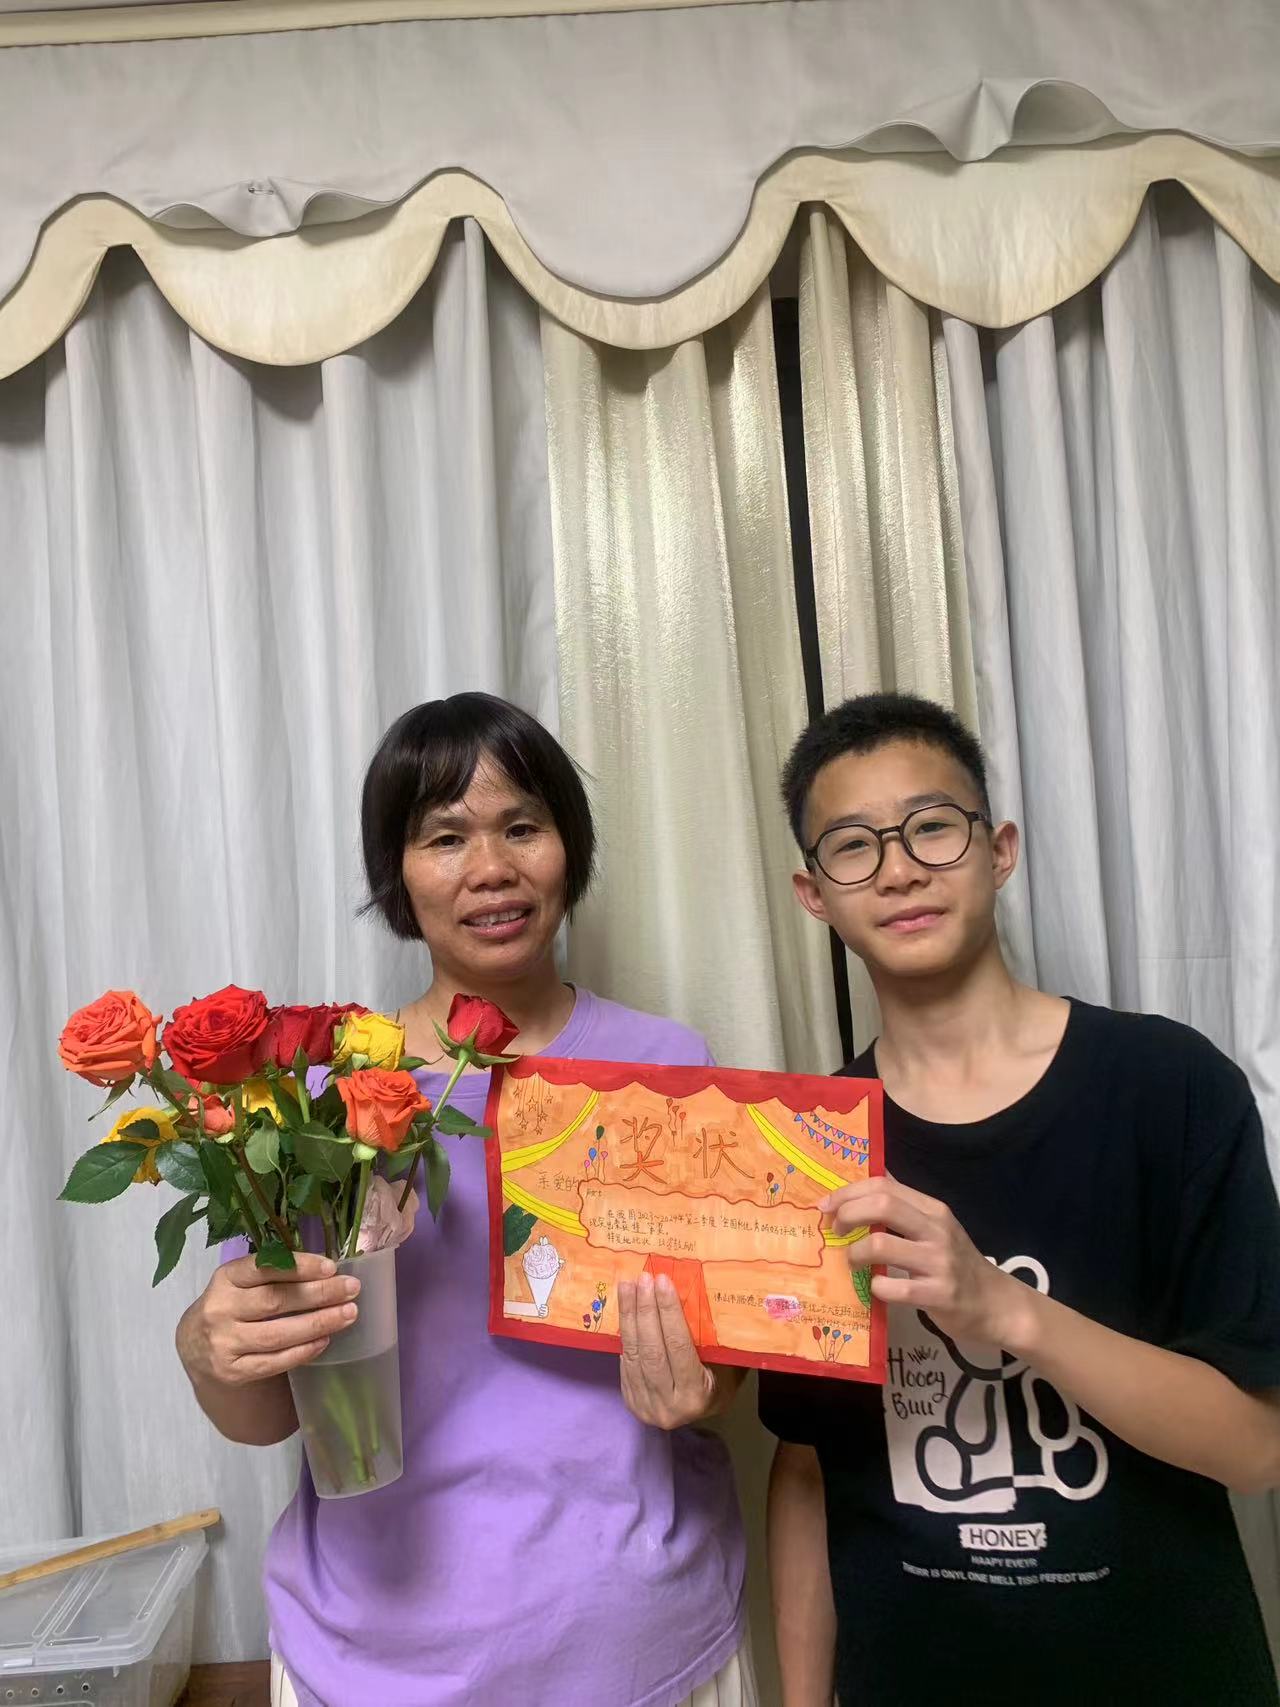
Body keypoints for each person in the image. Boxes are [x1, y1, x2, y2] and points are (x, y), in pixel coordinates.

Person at [176, 692, 753, 1707]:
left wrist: (705, 1388)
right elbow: (260, 1410)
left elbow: (723, 1362)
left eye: (522, 827)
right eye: (445, 837)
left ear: (568, 847)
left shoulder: (668, 1064)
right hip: (370, 1653)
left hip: (643, 1636)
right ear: (397, 873)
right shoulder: (315, 1097)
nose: (491, 868)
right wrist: (206, 1346)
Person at [760, 691, 1280, 1707]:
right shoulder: (807, 1145)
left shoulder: (1169, 1086)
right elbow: (809, 1468)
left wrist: (1005, 1309)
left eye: (930, 827)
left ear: (997, 850)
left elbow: (1257, 1447)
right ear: (813, 894)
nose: (899, 869)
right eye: (853, 846)